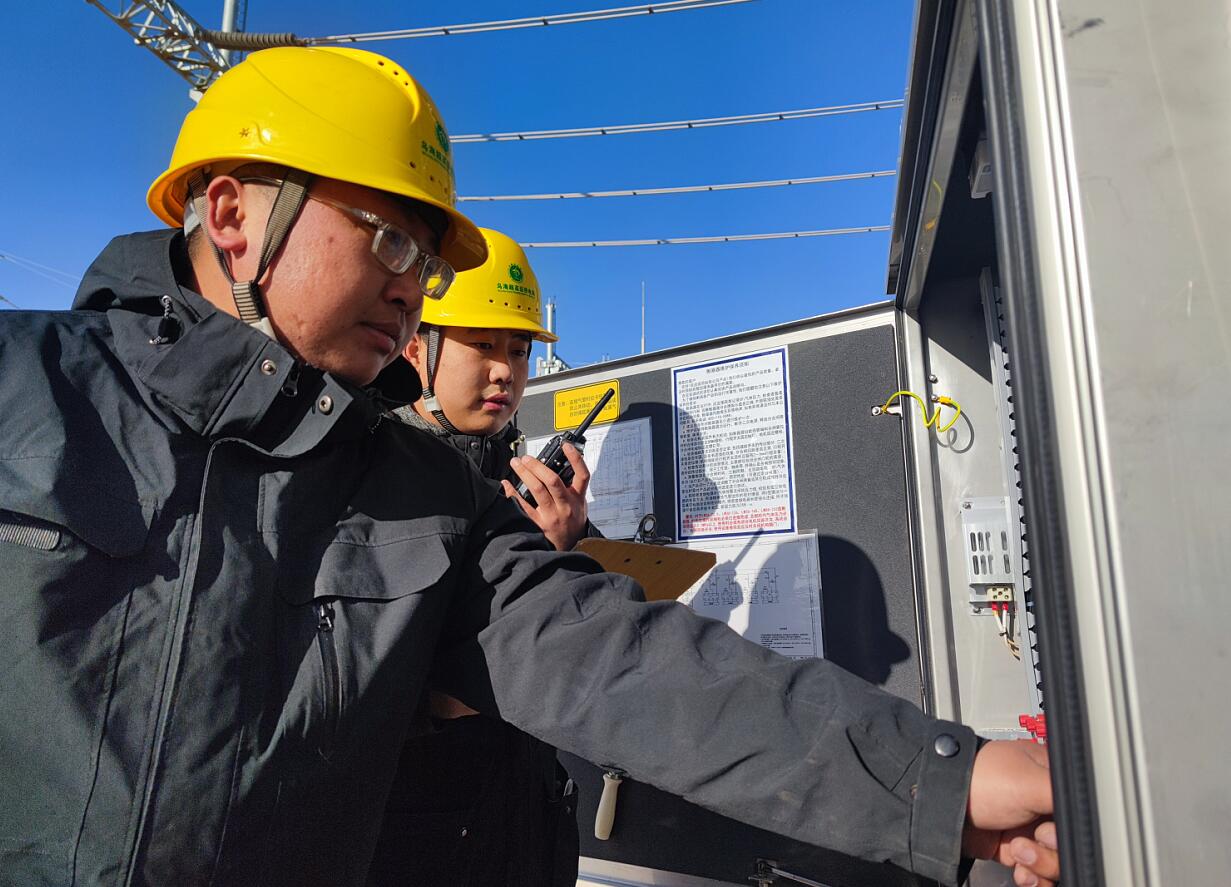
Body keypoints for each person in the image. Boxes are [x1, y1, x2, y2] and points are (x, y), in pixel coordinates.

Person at [0, 46, 1059, 887]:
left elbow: (629, 667)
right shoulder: (22, 387)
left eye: (428, 261)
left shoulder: (425, 501)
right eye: (390, 239)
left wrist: (946, 780)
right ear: (235, 215)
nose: (411, 287)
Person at [368, 229, 589, 886]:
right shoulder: (369, 476)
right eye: (483, 345)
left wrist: (567, 547)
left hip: (527, 820)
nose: (505, 371)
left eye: (519, 350)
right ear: (417, 347)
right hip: (416, 836)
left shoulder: (524, 480)